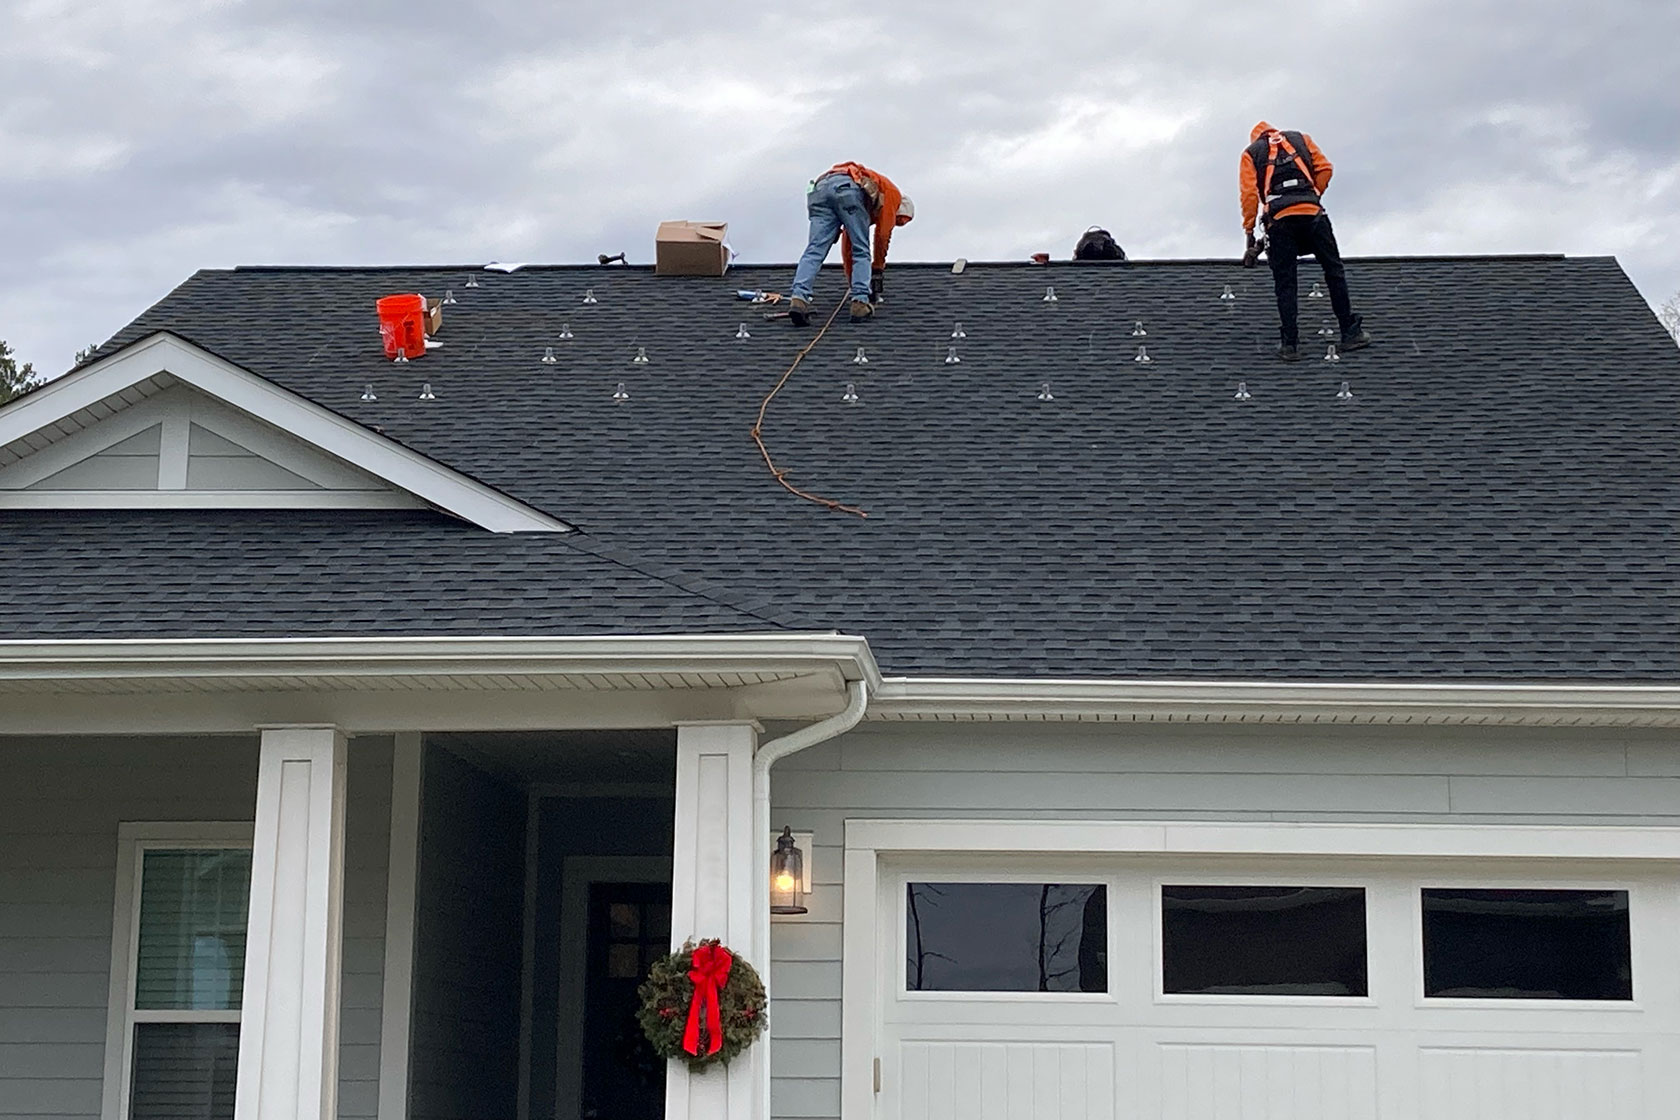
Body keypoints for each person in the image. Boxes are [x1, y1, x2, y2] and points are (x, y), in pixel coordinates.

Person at [1240, 121, 1370, 361]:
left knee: (1286, 282)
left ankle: (1290, 344)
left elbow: (1249, 195)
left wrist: (1249, 231)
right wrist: (1311, 197)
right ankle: (1350, 332)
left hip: (1279, 222)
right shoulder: (1301, 139)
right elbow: (1325, 169)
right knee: (1333, 270)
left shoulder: (1251, 153)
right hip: (1313, 216)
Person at [788, 162, 914, 326]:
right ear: (900, 210)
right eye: (896, 221)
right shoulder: (893, 195)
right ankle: (860, 304)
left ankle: (799, 299)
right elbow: (882, 235)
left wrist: (852, 281)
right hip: (846, 187)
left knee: (814, 250)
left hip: (819, 189)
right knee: (862, 250)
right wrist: (877, 268)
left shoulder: (869, 201)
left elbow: (848, 245)